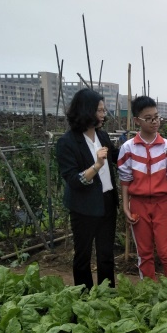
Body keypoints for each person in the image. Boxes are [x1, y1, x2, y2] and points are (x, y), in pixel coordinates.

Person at [56, 88, 119, 290]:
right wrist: (97, 165)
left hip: (107, 202)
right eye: (99, 110)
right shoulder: (67, 142)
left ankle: (107, 295)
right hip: (83, 206)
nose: (103, 114)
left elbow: (118, 158)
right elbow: (74, 180)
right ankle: (84, 297)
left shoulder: (102, 136)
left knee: (106, 255)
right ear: (86, 111)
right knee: (83, 255)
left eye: (103, 110)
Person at [117, 96, 167, 281]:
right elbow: (125, 180)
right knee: (144, 253)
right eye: (149, 118)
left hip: (163, 204)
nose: (155, 122)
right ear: (136, 120)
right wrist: (126, 207)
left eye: (156, 117)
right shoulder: (127, 148)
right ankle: (148, 291)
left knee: (166, 253)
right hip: (138, 204)